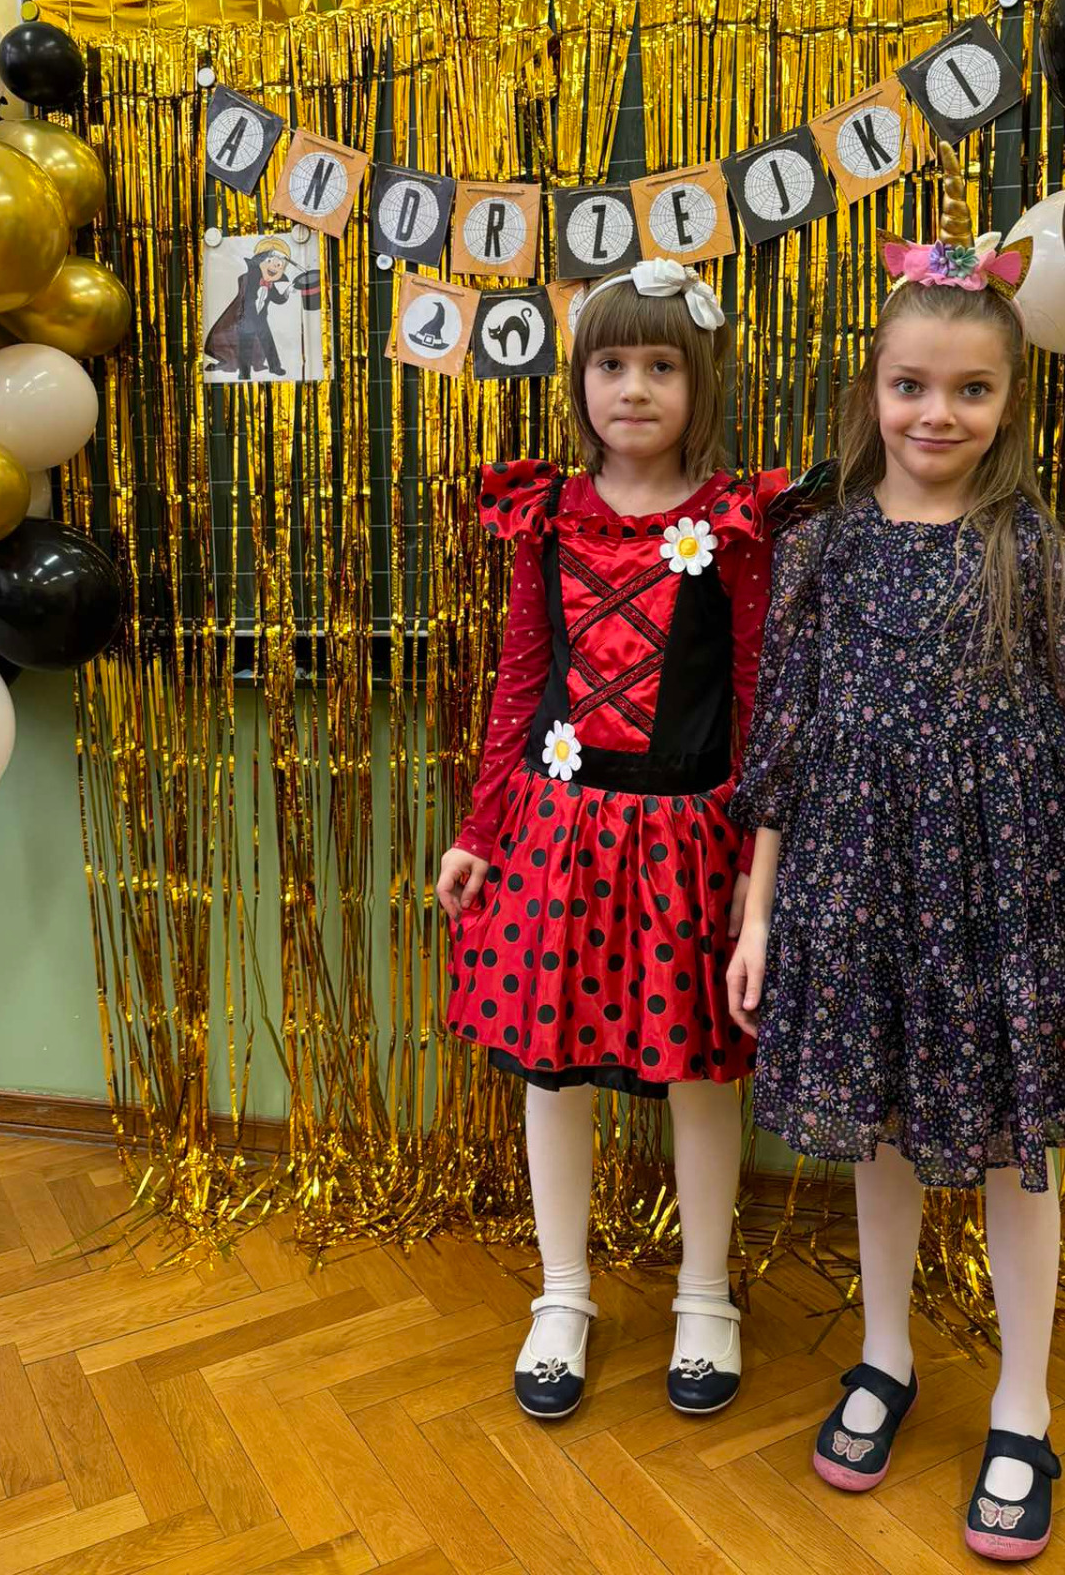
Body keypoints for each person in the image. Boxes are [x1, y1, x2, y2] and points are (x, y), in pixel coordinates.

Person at [728, 148, 1065, 1564]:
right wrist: (759, 916)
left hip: (1003, 899)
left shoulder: (1039, 552)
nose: (937, 413)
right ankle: (887, 1355)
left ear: (1008, 401)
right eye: (912, 385)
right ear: (873, 391)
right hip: (851, 891)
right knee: (884, 1134)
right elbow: (782, 746)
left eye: (971, 390)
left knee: (1018, 1157)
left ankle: (1025, 1405)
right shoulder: (823, 552)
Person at [436, 256, 783, 1421]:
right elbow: (519, 681)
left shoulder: (731, 525)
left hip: (690, 840)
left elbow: (755, 697)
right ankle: (564, 1295)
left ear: (701, 383)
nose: (634, 388)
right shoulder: (546, 517)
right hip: (557, 836)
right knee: (553, 1067)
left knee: (697, 1074)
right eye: (612, 364)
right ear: (581, 380)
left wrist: (755, 863)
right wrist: (481, 828)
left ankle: (704, 1295)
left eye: (662, 367)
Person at [203, 239, 292, 378]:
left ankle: (275, 367)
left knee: (269, 345)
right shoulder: (248, 278)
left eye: (279, 265)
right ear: (259, 262)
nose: (274, 267)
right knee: (245, 348)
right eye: (269, 261)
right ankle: (244, 374)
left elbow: (278, 299)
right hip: (246, 320)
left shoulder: (271, 286)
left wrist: (288, 291)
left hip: (261, 321)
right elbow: (244, 286)